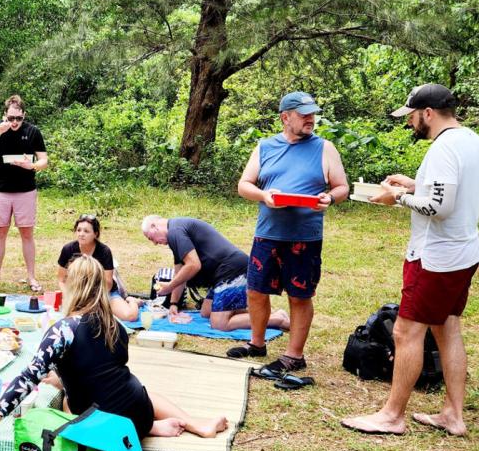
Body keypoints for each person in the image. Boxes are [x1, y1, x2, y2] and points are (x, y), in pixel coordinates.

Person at [342, 84, 479, 436]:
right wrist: (415, 183)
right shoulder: (471, 141)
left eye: (410, 116)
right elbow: (449, 189)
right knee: (447, 328)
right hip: (464, 252)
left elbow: (438, 207)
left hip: (435, 258)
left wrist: (398, 197)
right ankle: (453, 413)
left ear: (427, 113)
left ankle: (392, 416)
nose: (409, 123)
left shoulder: (442, 148)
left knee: (406, 332)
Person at [0, 255, 229, 449]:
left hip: (104, 427)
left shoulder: (64, 329)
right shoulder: (115, 324)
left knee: (67, 402)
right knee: (124, 386)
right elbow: (102, 368)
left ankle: (143, 430)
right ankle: (166, 426)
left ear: (72, 284)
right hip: (139, 412)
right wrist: (64, 377)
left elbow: (27, 378)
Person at [236, 91, 348, 378]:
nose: (311, 119)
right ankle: (257, 343)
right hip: (268, 233)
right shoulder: (265, 147)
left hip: (305, 237)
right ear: (285, 118)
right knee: (256, 290)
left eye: (313, 114)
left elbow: (341, 187)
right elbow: (244, 185)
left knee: (299, 295)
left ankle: (294, 356)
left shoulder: (325, 148)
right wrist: (264, 195)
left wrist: (330, 199)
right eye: (304, 114)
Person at [141, 216, 289, 332]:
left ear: (154, 225)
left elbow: (193, 265)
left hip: (233, 271)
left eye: (150, 238)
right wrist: (173, 304)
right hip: (223, 275)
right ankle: (261, 314)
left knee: (219, 324)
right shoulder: (176, 232)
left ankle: (277, 319)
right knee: (206, 312)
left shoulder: (175, 232)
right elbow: (180, 273)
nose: (154, 243)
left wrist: (168, 287)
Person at [0, 94, 48, 292]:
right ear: (4, 116)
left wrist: (30, 165)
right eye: (10, 118)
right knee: (0, 232)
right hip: (0, 189)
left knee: (27, 232)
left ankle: (31, 277)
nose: (15, 122)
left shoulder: (33, 131)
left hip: (25, 190)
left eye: (18, 118)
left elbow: (44, 161)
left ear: (24, 115)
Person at [56, 214, 141, 322]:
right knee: (67, 318)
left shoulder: (104, 251)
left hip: (103, 293)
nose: (81, 234)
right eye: (78, 230)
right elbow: (61, 280)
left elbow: (108, 284)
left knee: (130, 316)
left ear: (95, 234)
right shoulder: (68, 249)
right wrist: (68, 296)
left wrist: (93, 301)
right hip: (77, 293)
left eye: (86, 231)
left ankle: (133, 301)